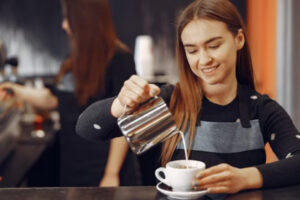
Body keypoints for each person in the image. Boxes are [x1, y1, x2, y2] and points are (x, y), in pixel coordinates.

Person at [76, 0, 300, 194]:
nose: (204, 60)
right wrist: (120, 103)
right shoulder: (171, 102)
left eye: (213, 45)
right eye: (192, 51)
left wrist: (246, 178)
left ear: (239, 39)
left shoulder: (261, 109)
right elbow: (88, 129)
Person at [0, 0, 138, 187]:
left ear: (84, 19)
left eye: (68, 18)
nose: (64, 25)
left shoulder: (119, 58)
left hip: (105, 168)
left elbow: (126, 119)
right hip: (74, 166)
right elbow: (55, 100)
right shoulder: (74, 59)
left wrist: (111, 174)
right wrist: (15, 90)